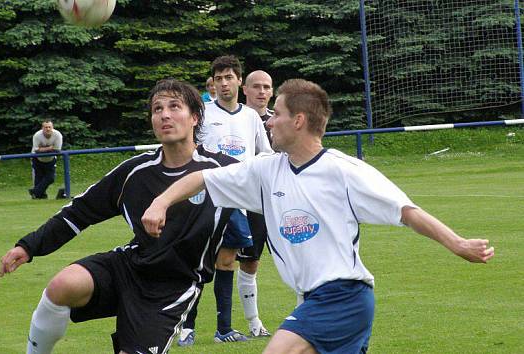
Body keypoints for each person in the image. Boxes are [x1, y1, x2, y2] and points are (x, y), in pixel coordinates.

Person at [142, 78, 495, 354]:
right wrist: (161, 202)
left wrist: (458, 243)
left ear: (298, 120)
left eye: (276, 114)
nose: (269, 123)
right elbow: (201, 177)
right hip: (318, 300)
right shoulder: (265, 171)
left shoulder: (343, 170)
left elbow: (406, 212)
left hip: (342, 296)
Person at [0, 79, 242, 354]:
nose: (164, 115)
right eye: (157, 109)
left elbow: (271, 192)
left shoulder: (224, 171)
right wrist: (28, 246)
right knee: (62, 285)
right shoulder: (134, 173)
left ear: (195, 117)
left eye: (175, 107)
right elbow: (78, 212)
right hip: (129, 267)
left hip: (172, 287)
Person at [177, 55, 273, 346]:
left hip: (237, 199)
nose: (223, 83)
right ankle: (185, 327)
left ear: (239, 81)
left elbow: (265, 153)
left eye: (228, 77)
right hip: (205, 197)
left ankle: (223, 329)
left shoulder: (251, 117)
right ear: (213, 83)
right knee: (196, 260)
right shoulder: (202, 114)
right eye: (218, 78)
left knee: (227, 260)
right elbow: (187, 151)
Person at [29, 120, 62, 199]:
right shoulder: (37, 135)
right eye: (46, 127)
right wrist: (50, 148)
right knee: (38, 178)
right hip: (37, 159)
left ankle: (34, 192)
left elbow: (57, 150)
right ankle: (40, 196)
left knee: (50, 178)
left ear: (52, 128)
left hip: (51, 160)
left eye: (49, 127)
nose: (48, 129)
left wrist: (42, 149)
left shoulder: (58, 135)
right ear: (42, 128)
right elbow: (36, 150)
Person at [242, 70, 274, 143]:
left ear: (271, 92)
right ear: (245, 90)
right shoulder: (234, 117)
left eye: (266, 87)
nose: (262, 91)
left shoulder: (278, 120)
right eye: (256, 87)